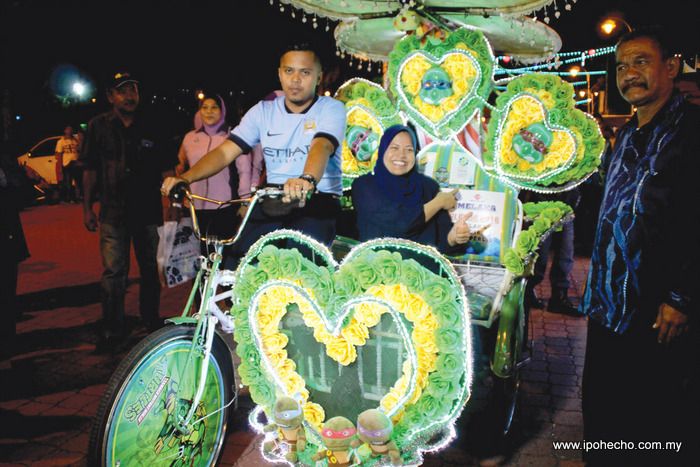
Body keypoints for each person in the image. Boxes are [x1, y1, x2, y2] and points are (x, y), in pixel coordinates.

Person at [581, 27, 699, 465]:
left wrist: (681, 297)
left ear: (671, 66)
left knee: (652, 417)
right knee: (602, 406)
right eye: (621, 66)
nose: (629, 74)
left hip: (657, 309)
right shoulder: (628, 133)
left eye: (641, 62)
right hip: (608, 302)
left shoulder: (690, 132)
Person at [161, 43, 346, 256]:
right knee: (239, 259)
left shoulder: (331, 108)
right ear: (280, 74)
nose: (295, 79)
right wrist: (186, 178)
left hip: (317, 198)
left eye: (305, 72)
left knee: (298, 259)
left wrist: (307, 178)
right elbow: (225, 152)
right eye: (289, 71)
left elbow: (322, 145)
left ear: (319, 77)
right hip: (272, 198)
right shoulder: (263, 111)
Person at [81, 72, 177, 352]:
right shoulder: (98, 127)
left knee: (150, 269)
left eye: (133, 90)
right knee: (114, 272)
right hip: (112, 213)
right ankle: (113, 328)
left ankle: (150, 321)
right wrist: (86, 208)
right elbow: (89, 170)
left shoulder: (153, 126)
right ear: (111, 96)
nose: (129, 96)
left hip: (148, 211)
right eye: (122, 91)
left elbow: (167, 168)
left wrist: (174, 204)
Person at [351, 124, 472, 253]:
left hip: (423, 265)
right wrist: (439, 202)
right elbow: (402, 223)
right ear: (382, 150)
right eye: (394, 148)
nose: (401, 155)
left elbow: (441, 245)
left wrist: (453, 238)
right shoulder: (364, 186)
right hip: (377, 265)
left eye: (409, 150)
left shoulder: (429, 187)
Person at [176, 93, 239, 249]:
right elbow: (180, 166)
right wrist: (181, 194)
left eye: (214, 107)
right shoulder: (190, 137)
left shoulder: (231, 137)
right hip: (194, 206)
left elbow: (244, 171)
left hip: (222, 205)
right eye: (204, 107)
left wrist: (244, 201)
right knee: (196, 252)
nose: (209, 111)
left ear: (222, 111)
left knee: (221, 252)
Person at [523, 189, 580, 315]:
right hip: (542, 203)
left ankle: (559, 297)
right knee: (539, 255)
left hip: (565, 204)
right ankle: (528, 291)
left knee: (565, 251)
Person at [0, 142, 30, 366]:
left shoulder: (6, 157)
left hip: (6, 230)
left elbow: (19, 188)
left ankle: (8, 339)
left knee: (8, 286)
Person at [55, 125, 81, 202]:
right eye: (68, 129)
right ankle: (70, 198)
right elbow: (59, 154)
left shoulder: (75, 140)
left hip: (76, 161)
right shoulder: (61, 141)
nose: (70, 131)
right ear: (65, 131)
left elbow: (79, 149)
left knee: (78, 180)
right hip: (67, 163)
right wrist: (60, 166)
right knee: (68, 181)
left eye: (71, 129)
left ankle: (78, 196)